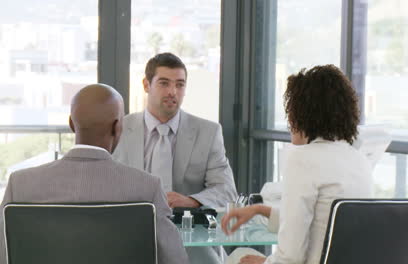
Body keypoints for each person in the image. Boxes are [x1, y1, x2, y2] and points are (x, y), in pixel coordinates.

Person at [0, 84, 189, 264]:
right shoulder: (147, 188)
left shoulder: (21, 185)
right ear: (117, 127)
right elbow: (175, 260)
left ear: (72, 124)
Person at [221, 65, 373, 264]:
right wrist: (260, 210)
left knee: (237, 256)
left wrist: (262, 262)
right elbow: (322, 222)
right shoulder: (359, 160)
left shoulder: (303, 159)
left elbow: (290, 258)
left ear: (304, 113)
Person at [112, 52, 237, 263]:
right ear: (146, 85)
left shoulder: (208, 132)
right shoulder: (120, 130)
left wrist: (191, 201)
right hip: (131, 239)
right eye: (164, 83)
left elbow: (227, 192)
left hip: (193, 245)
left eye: (180, 85)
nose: (173, 92)